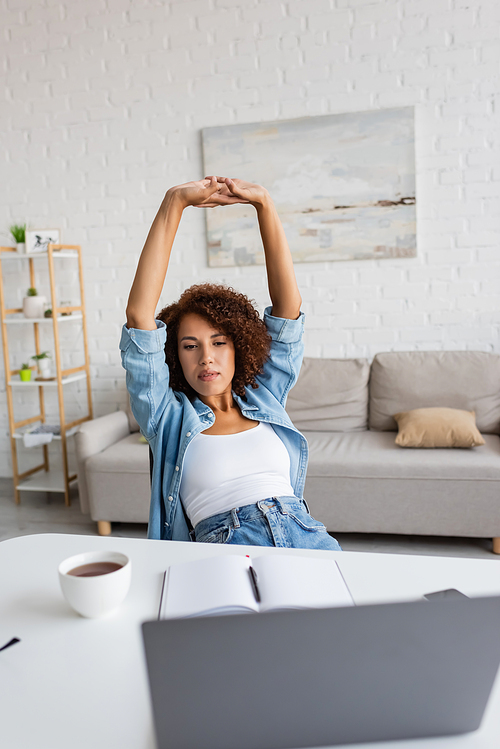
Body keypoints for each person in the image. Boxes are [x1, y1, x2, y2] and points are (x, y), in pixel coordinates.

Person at [121, 175, 341, 550]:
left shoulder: (265, 397)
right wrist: (173, 203)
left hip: (306, 535)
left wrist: (264, 205)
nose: (206, 357)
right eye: (190, 346)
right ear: (175, 355)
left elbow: (289, 312)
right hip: (228, 547)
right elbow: (140, 318)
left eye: (219, 342)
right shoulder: (166, 417)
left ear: (240, 347)